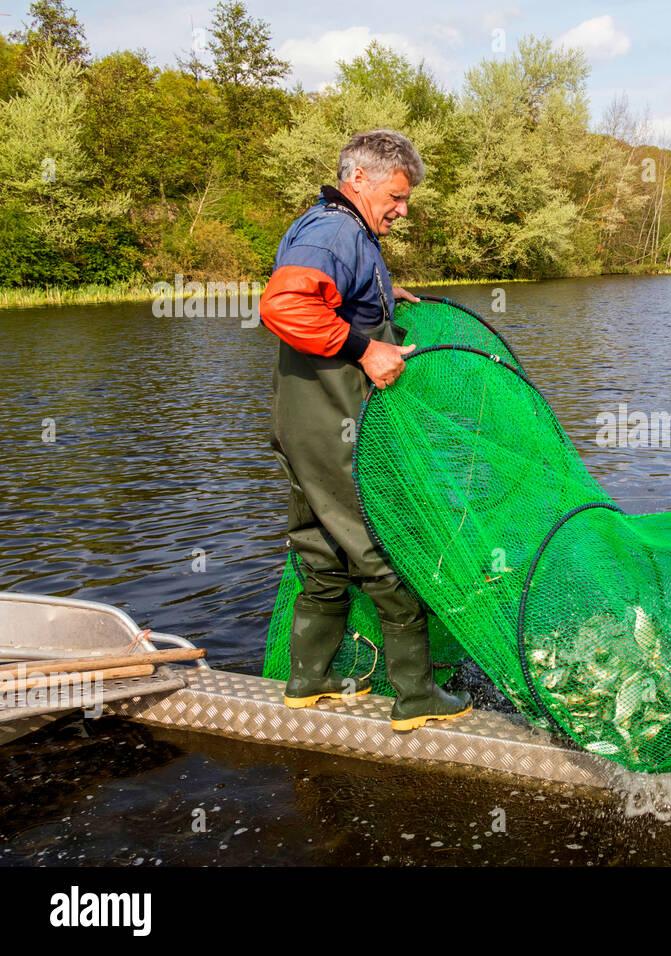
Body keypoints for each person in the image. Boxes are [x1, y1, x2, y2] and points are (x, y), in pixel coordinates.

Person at [259, 128, 471, 731]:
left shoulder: (330, 224)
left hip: (302, 425)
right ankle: (416, 696)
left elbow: (330, 298)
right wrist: (364, 346)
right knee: (383, 545)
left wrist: (378, 301)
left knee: (319, 548)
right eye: (397, 197)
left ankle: (309, 678)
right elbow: (284, 306)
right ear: (359, 180)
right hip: (335, 426)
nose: (403, 210)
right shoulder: (334, 233)